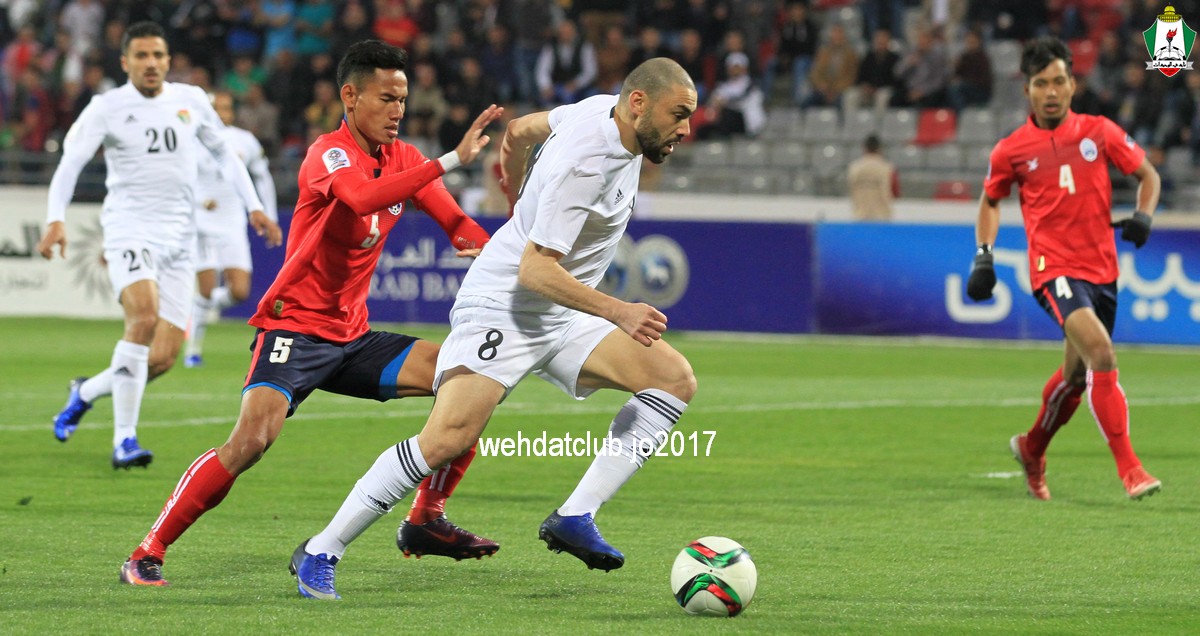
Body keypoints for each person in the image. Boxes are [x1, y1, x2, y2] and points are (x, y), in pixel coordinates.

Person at [289, 57, 698, 600]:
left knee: (672, 379)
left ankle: (576, 514)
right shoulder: (586, 165)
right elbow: (534, 270)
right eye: (679, 114)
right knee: (448, 438)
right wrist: (619, 310)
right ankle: (322, 549)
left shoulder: (600, 109)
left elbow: (519, 130)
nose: (685, 129)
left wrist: (513, 189)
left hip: (561, 309)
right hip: (504, 307)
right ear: (639, 104)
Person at [118, 40, 505, 589]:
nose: (398, 110)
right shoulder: (328, 153)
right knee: (250, 442)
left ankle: (425, 519)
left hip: (352, 336)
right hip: (294, 328)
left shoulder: (405, 159)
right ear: (350, 97)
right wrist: (448, 161)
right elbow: (361, 198)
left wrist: (495, 252)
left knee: (471, 385)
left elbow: (458, 224)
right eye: (386, 98)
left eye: (403, 99)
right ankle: (146, 551)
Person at [37, 22, 267, 469]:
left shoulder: (190, 100)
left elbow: (224, 154)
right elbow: (71, 162)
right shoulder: (107, 107)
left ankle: (85, 391)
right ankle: (125, 440)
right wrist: (55, 219)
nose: (151, 63)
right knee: (142, 318)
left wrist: (254, 206)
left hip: (180, 239)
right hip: (129, 229)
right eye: (141, 56)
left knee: (160, 359)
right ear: (125, 62)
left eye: (158, 55)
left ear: (168, 61)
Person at [966, 37, 1162, 502]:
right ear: (1027, 90)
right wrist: (984, 254)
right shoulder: (1011, 150)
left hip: (1102, 270)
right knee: (1102, 354)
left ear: (1073, 85)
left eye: (1058, 81)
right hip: (1051, 269)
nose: (1051, 92)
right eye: (1041, 83)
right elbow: (990, 201)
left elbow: (1149, 176)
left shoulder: (1100, 132)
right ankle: (1130, 469)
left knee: (1075, 378)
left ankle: (1032, 449)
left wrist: (1144, 216)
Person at [184, 90, 284, 369]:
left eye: (227, 108)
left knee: (240, 292)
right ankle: (193, 351)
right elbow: (178, 180)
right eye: (217, 108)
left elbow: (262, 177)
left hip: (233, 223)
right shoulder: (192, 140)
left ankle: (196, 309)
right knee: (207, 288)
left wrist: (269, 215)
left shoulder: (245, 140)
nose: (222, 113)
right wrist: (200, 201)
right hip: (202, 223)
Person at [847, 134, 898, 220]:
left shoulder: (853, 168)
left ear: (864, 148)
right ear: (879, 149)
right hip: (882, 217)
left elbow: (851, 190)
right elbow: (895, 193)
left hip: (860, 217)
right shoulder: (888, 168)